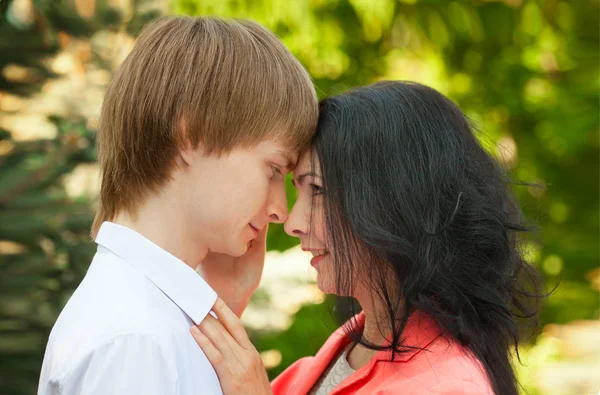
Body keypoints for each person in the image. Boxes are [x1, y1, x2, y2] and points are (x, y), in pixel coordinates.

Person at [191, 81, 542, 395]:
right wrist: (229, 302)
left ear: (393, 201)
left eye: (318, 189)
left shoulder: (445, 386)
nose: (292, 222)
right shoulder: (349, 350)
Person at [37, 16, 318, 395]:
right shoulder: (135, 341)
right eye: (272, 169)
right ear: (191, 135)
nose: (280, 211)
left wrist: (226, 308)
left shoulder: (150, 321)